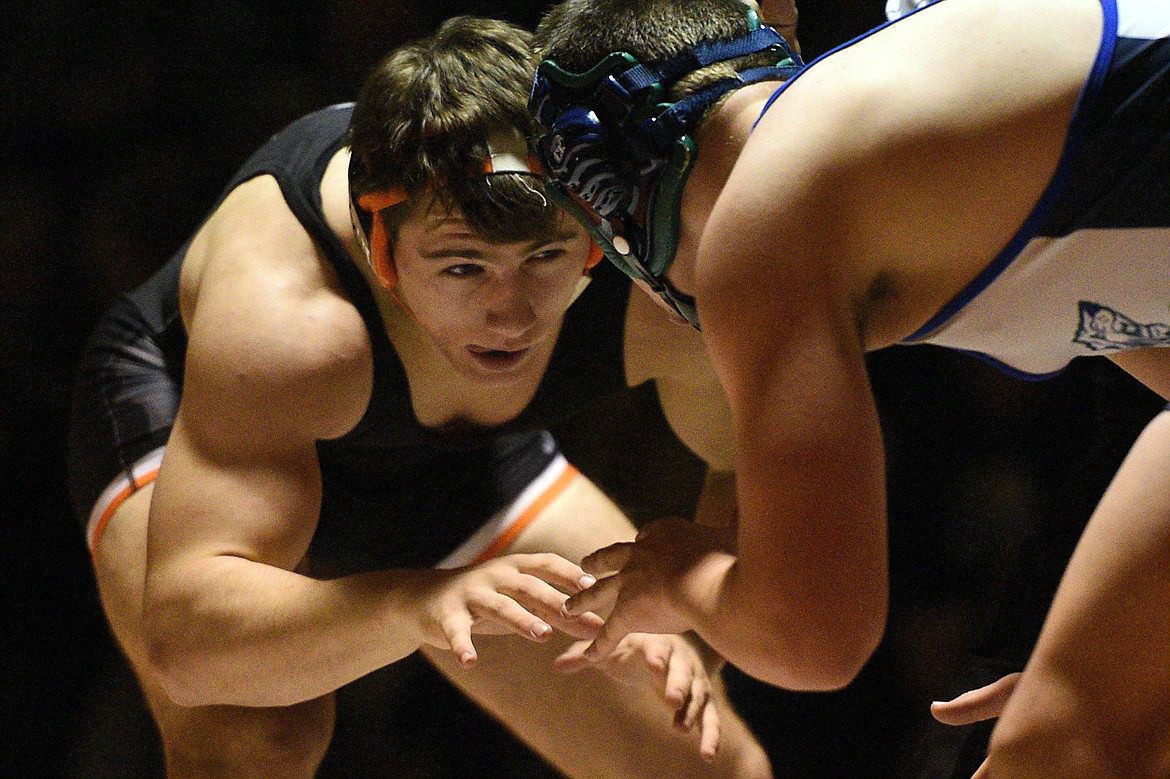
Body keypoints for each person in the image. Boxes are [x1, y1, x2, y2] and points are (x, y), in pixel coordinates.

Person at [67, 15, 775, 778]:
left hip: (444, 452)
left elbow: (750, 467)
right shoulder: (286, 317)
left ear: (595, 233)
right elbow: (190, 647)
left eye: (544, 256)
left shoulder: (657, 283)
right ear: (381, 251)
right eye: (464, 267)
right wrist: (415, 604)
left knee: (705, 761)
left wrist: (694, 609)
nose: (511, 313)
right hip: (197, 408)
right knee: (257, 741)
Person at [529, 0, 1170, 774]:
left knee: (1050, 750)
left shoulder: (768, 209)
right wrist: (1109, 666)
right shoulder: (923, 134)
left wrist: (676, 575)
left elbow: (814, 636)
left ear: (617, 209)